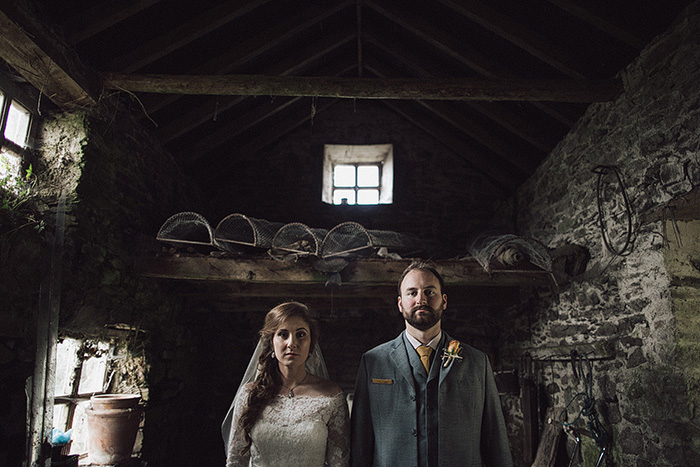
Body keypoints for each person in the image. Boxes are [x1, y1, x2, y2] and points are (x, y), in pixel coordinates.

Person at [350, 261, 513, 467]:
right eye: (412, 293)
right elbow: (360, 441)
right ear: (400, 304)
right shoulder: (372, 361)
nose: (421, 299)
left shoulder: (477, 362)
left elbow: (495, 437)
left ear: (444, 301)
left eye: (429, 292)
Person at [222, 301, 350, 467]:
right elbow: (236, 462)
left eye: (301, 334)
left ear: (311, 344)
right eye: (283, 334)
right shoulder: (249, 395)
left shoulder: (331, 396)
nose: (292, 343)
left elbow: (339, 463)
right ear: (271, 342)